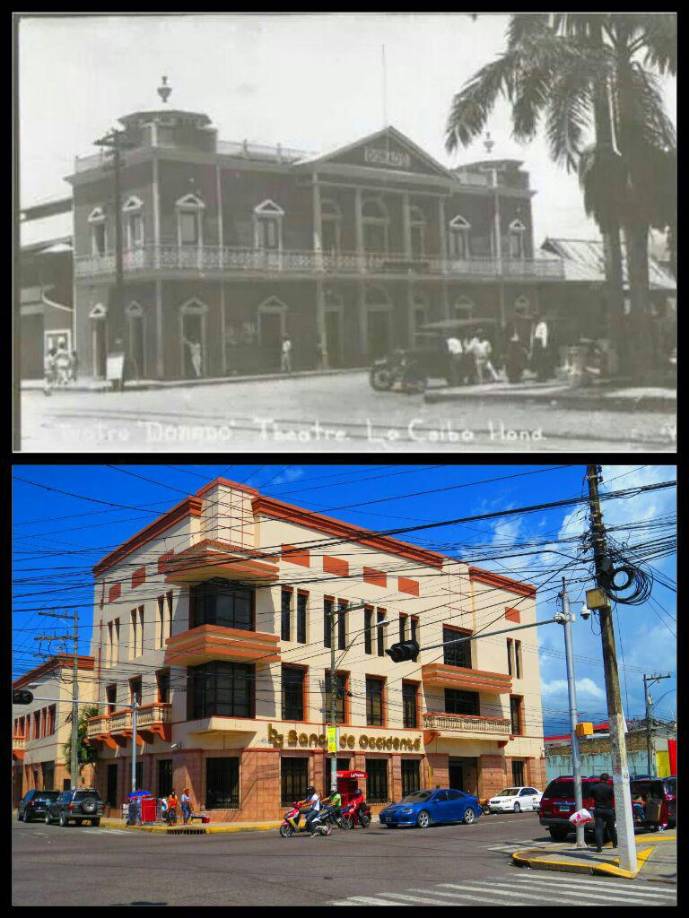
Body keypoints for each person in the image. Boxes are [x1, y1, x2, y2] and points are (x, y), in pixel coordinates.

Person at [590, 773, 617, 852]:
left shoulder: (594, 788)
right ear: (607, 779)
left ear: (600, 779)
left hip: (598, 810)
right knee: (611, 828)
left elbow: (591, 797)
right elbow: (612, 797)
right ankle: (615, 843)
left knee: (598, 829)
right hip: (608, 810)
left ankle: (599, 847)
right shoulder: (610, 788)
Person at [531, 315, 551, 381]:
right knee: (537, 361)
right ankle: (539, 375)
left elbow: (544, 335)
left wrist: (544, 346)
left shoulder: (543, 325)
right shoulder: (536, 325)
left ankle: (542, 376)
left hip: (540, 343)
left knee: (542, 361)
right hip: (536, 343)